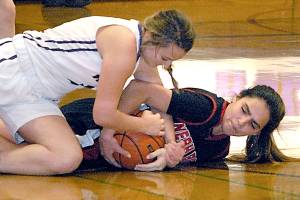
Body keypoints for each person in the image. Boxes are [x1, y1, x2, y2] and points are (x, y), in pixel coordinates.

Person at [0, 5, 195, 175]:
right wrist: (142, 125)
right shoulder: (124, 44)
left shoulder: (143, 51)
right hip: (13, 69)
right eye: (164, 58)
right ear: (153, 37)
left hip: (38, 97)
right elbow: (102, 115)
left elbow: (159, 98)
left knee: (66, 158)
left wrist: (170, 143)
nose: (165, 64)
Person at [58, 79, 292, 172]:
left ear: (258, 132)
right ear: (238, 96)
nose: (240, 123)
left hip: (102, 157)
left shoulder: (218, 150)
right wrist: (109, 129)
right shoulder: (205, 107)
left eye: (252, 124)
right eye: (244, 110)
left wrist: (171, 159)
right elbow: (142, 88)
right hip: (89, 123)